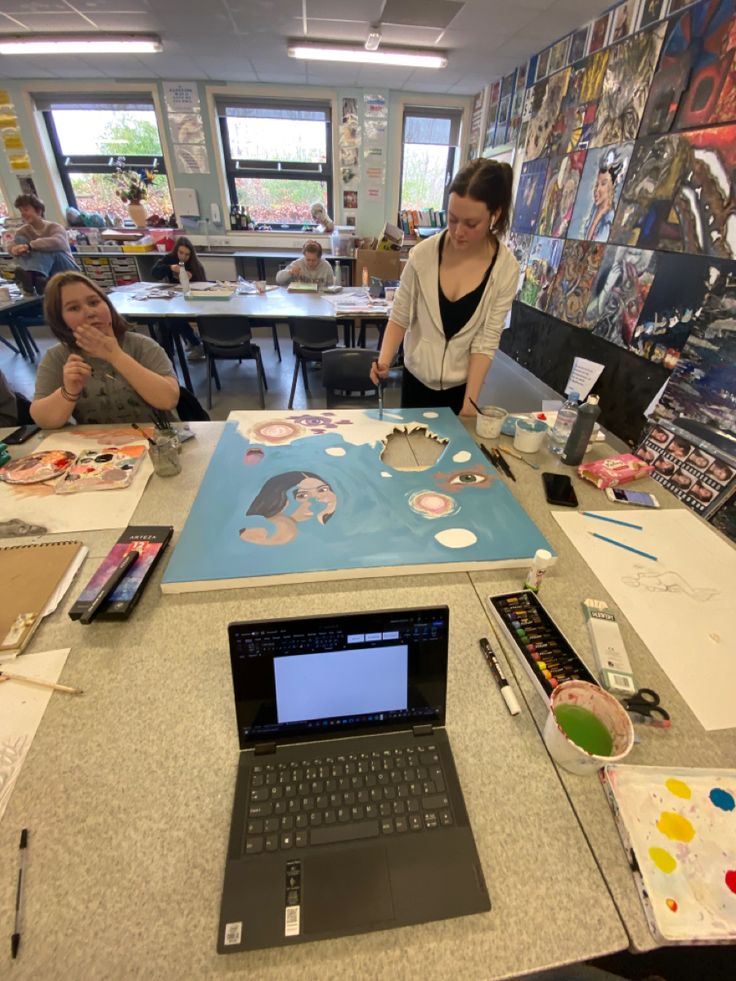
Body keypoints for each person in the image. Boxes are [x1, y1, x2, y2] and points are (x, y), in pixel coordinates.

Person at [370, 158, 519, 415]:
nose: (459, 231)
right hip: (416, 380)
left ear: (495, 216)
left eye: (471, 224)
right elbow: (400, 315)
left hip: (461, 387)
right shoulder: (422, 256)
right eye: (452, 219)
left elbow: (486, 341)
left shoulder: (505, 270)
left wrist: (470, 404)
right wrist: (383, 361)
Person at [31, 271, 179, 428]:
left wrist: (116, 356)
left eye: (94, 302)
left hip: (160, 442)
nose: (90, 312)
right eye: (74, 308)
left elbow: (168, 399)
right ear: (61, 320)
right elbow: (44, 420)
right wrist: (69, 391)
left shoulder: (142, 346)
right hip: (99, 446)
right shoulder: (58, 357)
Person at [239, 471, 336, 545]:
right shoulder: (278, 529)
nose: (318, 498)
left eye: (323, 489)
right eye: (302, 495)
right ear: (280, 502)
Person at [9, 193, 79, 295]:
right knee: (20, 239)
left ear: (38, 210)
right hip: (42, 273)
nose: (23, 214)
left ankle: (32, 276)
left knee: (48, 247)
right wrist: (14, 249)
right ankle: (35, 279)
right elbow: (11, 245)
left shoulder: (55, 227)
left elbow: (58, 242)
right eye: (21, 211)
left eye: (26, 210)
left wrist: (30, 246)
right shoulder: (22, 231)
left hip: (65, 267)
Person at [151, 236, 207, 362]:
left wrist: (191, 279)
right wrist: (170, 268)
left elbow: (204, 286)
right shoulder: (169, 260)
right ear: (176, 251)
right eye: (181, 253)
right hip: (175, 301)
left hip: (192, 301)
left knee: (175, 319)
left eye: (187, 254)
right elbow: (155, 272)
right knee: (167, 319)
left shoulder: (195, 265)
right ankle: (185, 344)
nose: (183, 257)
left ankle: (194, 341)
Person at [583, 148, 624, 242]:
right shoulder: (595, 208)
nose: (597, 190)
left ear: (612, 187)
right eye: (597, 184)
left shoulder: (609, 218)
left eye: (603, 183)